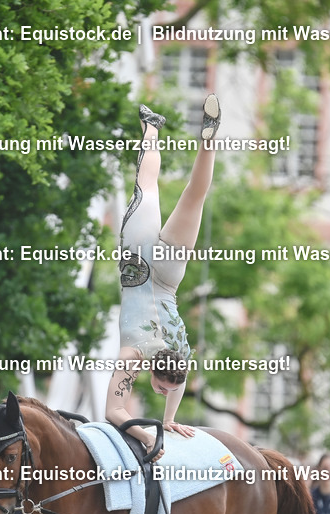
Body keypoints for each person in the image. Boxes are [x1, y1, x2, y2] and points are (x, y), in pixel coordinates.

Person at [104, 95, 221, 457]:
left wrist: (162, 426)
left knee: (194, 196)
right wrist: (156, 429)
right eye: (163, 387)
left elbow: (176, 382)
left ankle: (208, 140)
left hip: (167, 271)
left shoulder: (176, 352)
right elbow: (115, 411)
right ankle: (151, 128)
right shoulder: (133, 354)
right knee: (147, 186)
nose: (164, 390)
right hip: (138, 263)